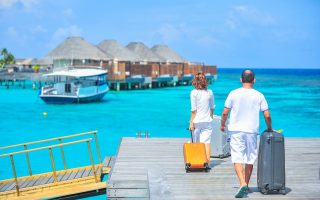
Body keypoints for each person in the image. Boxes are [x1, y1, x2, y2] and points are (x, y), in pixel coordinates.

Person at [220, 69, 273, 198]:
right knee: (250, 158)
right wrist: (270, 128)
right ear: (254, 80)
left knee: (237, 157)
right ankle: (247, 185)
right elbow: (267, 114)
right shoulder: (259, 95)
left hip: (236, 130)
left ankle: (242, 183)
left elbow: (225, 112)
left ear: (241, 80)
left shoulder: (233, 93)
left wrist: (222, 124)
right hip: (251, 131)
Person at [189, 72, 215, 162]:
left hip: (196, 122)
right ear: (205, 81)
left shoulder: (193, 93)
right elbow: (212, 107)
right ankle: (207, 162)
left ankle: (197, 161)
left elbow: (193, 110)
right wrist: (210, 117)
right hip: (207, 121)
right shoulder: (210, 92)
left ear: (195, 82)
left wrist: (191, 123)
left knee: (196, 143)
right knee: (206, 143)